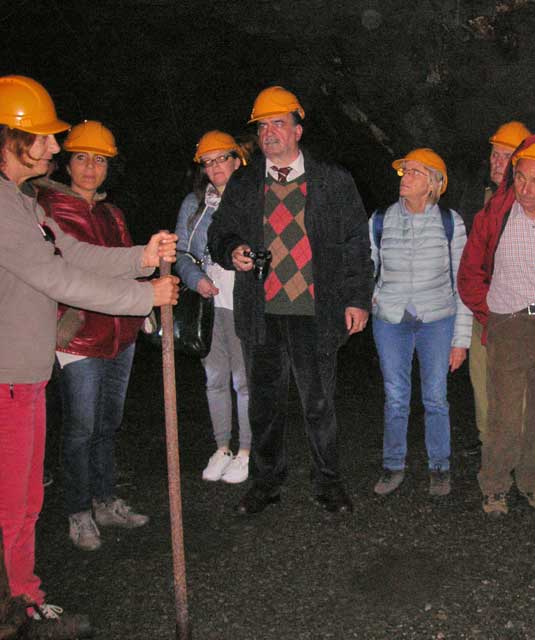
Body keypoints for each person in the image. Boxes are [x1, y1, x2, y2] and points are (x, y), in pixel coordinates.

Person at [0, 74, 178, 637]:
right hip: (5, 377)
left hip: (24, 373)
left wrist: (140, 257)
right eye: (47, 139)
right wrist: (143, 294)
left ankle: (22, 599)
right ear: (9, 139)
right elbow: (57, 275)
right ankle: (20, 608)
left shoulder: (25, 203)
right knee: (12, 503)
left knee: (26, 498)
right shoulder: (5, 209)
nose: (56, 148)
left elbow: (72, 251)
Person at [208, 85, 373, 515]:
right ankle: (266, 482)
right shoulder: (245, 181)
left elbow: (357, 241)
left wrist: (357, 298)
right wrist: (233, 251)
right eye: (262, 126)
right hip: (261, 313)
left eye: (277, 123)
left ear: (297, 130)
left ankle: (329, 483)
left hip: (314, 312)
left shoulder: (332, 180)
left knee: (319, 404)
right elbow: (218, 232)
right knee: (264, 406)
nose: (268, 133)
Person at [36, 121, 150, 552]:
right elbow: (83, 266)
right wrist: (138, 263)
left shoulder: (110, 213)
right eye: (82, 157)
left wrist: (151, 262)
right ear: (67, 162)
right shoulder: (50, 209)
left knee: (107, 424)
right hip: (79, 338)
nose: (90, 168)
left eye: (99, 160)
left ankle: (105, 500)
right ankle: (78, 511)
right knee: (81, 428)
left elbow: (129, 264)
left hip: (120, 334)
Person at [457, 133, 535, 517]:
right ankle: (495, 485)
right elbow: (469, 274)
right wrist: (491, 315)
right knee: (504, 414)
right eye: (521, 178)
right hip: (509, 324)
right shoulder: (493, 216)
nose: (526, 189)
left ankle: (534, 482)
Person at [370, 148, 471, 497]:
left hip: (437, 319)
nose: (405, 178)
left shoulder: (450, 222)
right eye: (404, 172)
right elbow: (366, 265)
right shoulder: (380, 219)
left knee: (435, 397)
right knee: (395, 396)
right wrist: (369, 297)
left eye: (413, 172)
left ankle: (440, 466)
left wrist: (461, 340)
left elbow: (464, 282)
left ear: (433, 183)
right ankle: (393, 464)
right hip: (391, 319)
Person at [174, 131, 251, 484]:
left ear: (237, 160)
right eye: (209, 161)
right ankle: (222, 447)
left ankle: (247, 451)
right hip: (209, 302)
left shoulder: (255, 198)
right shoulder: (194, 205)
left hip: (245, 301)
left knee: (244, 380)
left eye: (223, 158)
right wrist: (195, 279)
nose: (216, 166)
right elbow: (181, 253)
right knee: (215, 378)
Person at [456, 120, 531, 459]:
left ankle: (520, 447)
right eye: (495, 155)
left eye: (506, 156)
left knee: (520, 382)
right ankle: (490, 445)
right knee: (482, 379)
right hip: (483, 306)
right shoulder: (476, 199)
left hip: (521, 309)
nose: (497, 163)